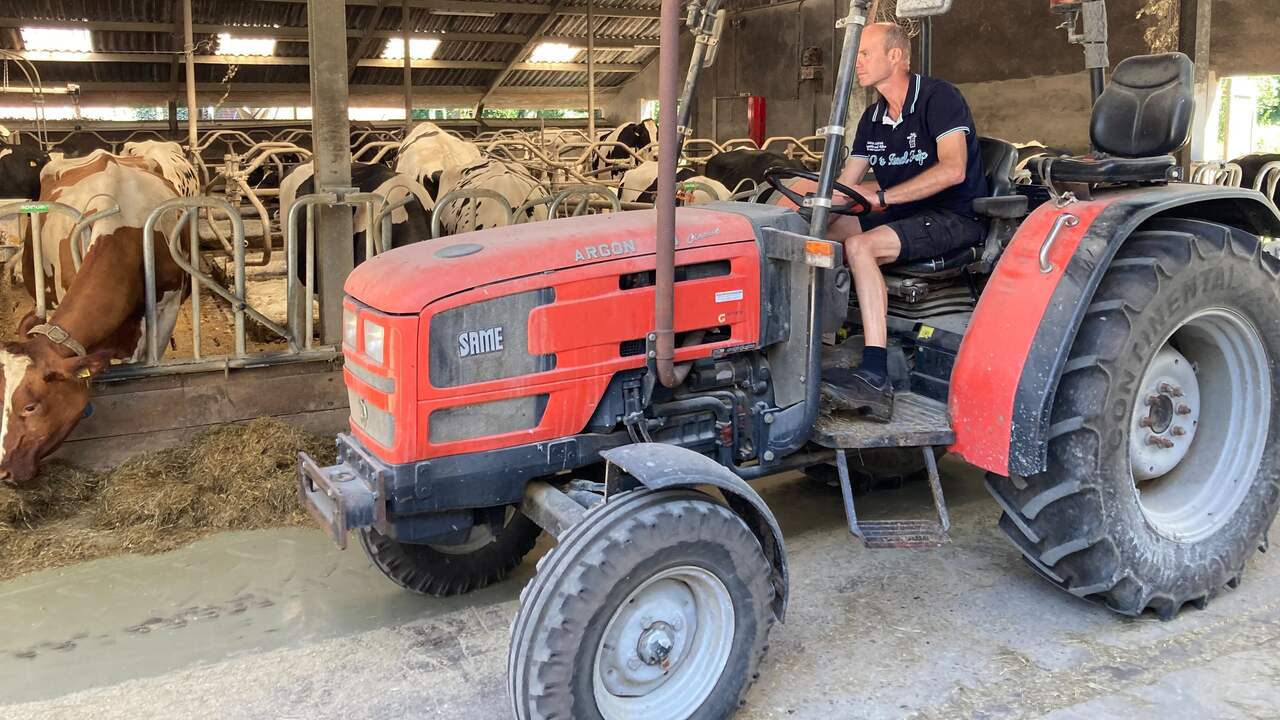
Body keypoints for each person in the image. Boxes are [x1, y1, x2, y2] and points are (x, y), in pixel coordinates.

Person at [819, 22, 988, 422]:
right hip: (905, 215)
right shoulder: (873, 117)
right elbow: (848, 181)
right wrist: (807, 206)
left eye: (864, 53)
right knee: (820, 233)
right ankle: (821, 340)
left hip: (953, 216)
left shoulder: (938, 97)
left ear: (894, 56)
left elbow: (953, 170)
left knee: (861, 245)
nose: (856, 63)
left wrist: (881, 198)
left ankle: (875, 376)